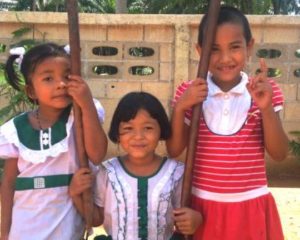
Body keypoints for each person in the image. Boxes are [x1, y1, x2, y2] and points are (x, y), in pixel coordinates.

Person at [166, 6, 289, 240]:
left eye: (234, 47)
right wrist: (182, 105)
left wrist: (265, 108)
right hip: (201, 212)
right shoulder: (190, 92)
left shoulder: (265, 91)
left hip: (250, 209)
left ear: (249, 46)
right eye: (213, 49)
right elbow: (173, 149)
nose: (225, 58)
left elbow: (280, 153)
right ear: (199, 50)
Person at [0, 42, 108, 240]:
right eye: (48, 78)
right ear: (31, 91)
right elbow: (8, 184)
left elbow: (98, 153)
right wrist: (4, 232)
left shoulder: (80, 117)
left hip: (66, 228)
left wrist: (86, 104)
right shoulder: (16, 130)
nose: (61, 84)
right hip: (24, 229)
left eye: (67, 76)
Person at [69, 91, 203, 240]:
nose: (138, 136)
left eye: (148, 128)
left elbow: (184, 215)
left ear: (161, 130)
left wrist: (195, 219)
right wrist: (76, 194)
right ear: (117, 134)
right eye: (128, 129)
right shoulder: (107, 172)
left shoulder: (176, 173)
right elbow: (96, 219)